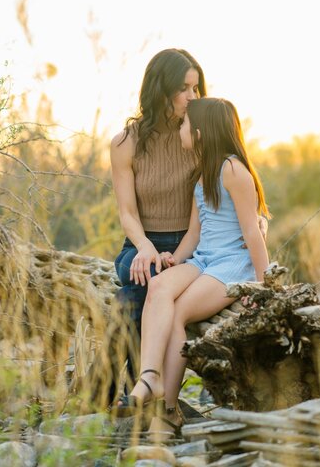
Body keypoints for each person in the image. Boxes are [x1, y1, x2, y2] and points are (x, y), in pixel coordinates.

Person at [113, 97, 270, 437]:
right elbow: (195, 233)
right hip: (203, 259)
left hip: (232, 265)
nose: (180, 129)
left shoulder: (233, 171)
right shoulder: (203, 176)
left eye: (184, 125)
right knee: (159, 287)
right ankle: (149, 377)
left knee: (178, 311)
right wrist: (174, 260)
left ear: (198, 133)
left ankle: (168, 410)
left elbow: (253, 236)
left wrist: (264, 286)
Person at [109, 48, 207, 395]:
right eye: (184, 88)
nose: (192, 97)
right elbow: (127, 213)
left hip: (191, 248)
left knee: (129, 302)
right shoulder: (125, 142)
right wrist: (146, 247)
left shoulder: (199, 138)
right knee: (141, 276)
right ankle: (143, 392)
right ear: (160, 89)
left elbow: (230, 183)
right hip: (141, 245)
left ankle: (129, 392)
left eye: (196, 88)